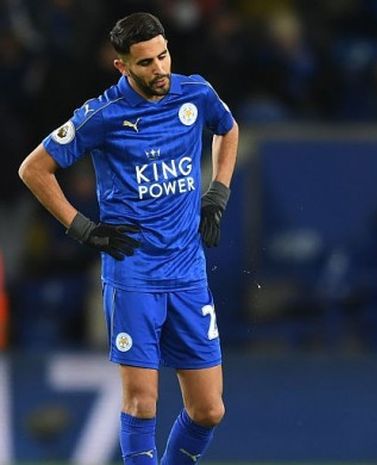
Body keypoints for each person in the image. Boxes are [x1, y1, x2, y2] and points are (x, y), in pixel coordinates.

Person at [18, 12, 238, 465]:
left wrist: (217, 192)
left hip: (187, 272)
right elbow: (33, 168)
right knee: (142, 402)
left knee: (209, 409)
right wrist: (82, 226)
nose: (160, 69)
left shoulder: (194, 92)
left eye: (163, 56)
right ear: (122, 67)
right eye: (146, 63)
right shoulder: (103, 115)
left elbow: (228, 128)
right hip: (133, 272)